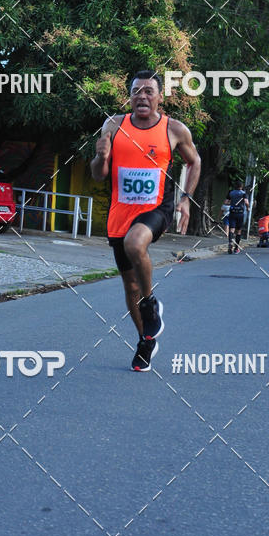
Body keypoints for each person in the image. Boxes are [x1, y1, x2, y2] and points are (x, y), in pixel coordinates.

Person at [91, 70, 201, 372]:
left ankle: (151, 303)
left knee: (135, 242)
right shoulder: (113, 125)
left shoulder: (175, 129)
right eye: (137, 90)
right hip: (119, 214)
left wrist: (184, 199)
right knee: (130, 288)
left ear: (160, 97)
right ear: (129, 96)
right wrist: (101, 157)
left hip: (157, 209)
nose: (142, 96)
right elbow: (98, 174)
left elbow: (195, 162)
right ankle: (145, 339)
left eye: (149, 91)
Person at [227, 181, 249, 254]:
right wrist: (248, 208)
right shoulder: (243, 194)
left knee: (232, 229)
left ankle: (230, 242)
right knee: (238, 231)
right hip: (240, 213)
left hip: (232, 212)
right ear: (241, 187)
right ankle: (236, 248)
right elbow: (246, 202)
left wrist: (232, 203)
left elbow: (226, 202)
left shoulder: (231, 192)